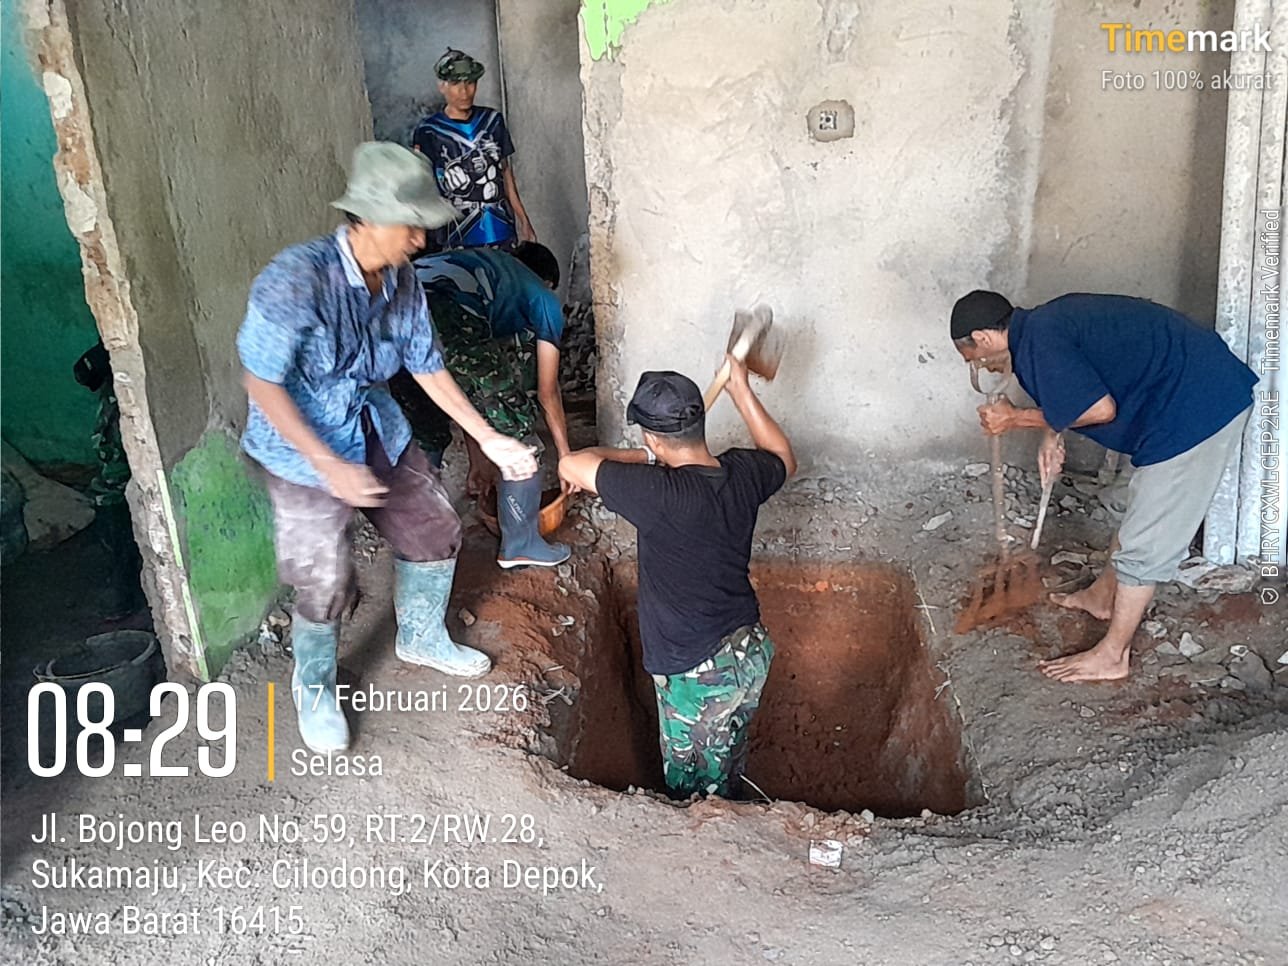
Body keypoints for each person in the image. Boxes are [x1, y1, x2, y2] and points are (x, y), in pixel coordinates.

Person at [237, 142, 537, 754]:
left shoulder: (401, 282)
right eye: (412, 227)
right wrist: (326, 465)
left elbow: (427, 366)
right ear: (367, 220)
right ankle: (313, 685)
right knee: (325, 575)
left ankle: (421, 637)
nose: (421, 242)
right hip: (300, 447)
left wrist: (488, 436)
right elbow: (260, 381)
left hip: (373, 424)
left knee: (433, 527)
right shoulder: (297, 278)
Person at [950, 290, 1258, 683]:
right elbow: (1071, 392)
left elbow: (1099, 409)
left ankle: (1114, 656)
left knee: (1148, 538)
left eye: (976, 360)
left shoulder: (1039, 342)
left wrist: (1015, 420)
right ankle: (1101, 598)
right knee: (1140, 511)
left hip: (1196, 409)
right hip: (1180, 396)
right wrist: (1051, 434)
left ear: (983, 337)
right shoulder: (1041, 328)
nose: (986, 368)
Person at [558, 361, 796, 798]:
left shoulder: (657, 492)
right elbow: (783, 457)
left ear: (651, 437)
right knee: (726, 755)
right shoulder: (741, 472)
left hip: (696, 673)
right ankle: (733, 800)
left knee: (695, 793)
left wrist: (650, 459)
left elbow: (574, 464)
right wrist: (741, 389)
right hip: (748, 653)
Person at [390, 242, 571, 568]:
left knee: (425, 434)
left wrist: (478, 461)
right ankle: (521, 543)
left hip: (391, 314)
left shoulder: (485, 268)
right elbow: (548, 391)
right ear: (547, 282)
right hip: (445, 314)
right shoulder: (542, 297)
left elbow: (465, 390)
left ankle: (419, 548)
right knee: (518, 435)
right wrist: (566, 457)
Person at [411, 48, 534, 249]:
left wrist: (523, 219)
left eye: (470, 83)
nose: (464, 91)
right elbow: (422, 185)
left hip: (501, 229)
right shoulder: (428, 132)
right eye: (455, 83)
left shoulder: (493, 121)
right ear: (441, 86)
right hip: (455, 236)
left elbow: (505, 172)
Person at [73, 340, 146, 618]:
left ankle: (123, 593)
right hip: (120, 472)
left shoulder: (119, 399)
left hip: (126, 478)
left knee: (113, 507)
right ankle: (123, 584)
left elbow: (114, 457)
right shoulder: (111, 384)